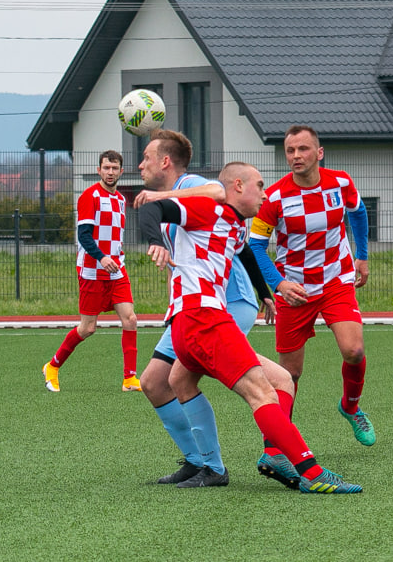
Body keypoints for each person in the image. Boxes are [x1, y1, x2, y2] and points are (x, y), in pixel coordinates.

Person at [139, 161, 363, 494]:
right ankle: (312, 473)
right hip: (203, 319)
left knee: (279, 380)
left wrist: (264, 294)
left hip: (192, 323)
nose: (265, 192)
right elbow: (152, 210)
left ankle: (224, 465)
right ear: (238, 186)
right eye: (259, 185)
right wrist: (155, 241)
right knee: (262, 393)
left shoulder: (234, 225)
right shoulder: (207, 208)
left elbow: (244, 253)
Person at [133, 129, 288, 489]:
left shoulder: (196, 185)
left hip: (223, 303)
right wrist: (265, 293)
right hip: (209, 303)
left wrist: (257, 292)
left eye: (146, 158)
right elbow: (243, 244)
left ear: (165, 162)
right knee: (158, 383)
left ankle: (217, 465)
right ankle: (202, 462)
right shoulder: (183, 194)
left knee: (169, 380)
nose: (140, 165)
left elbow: (220, 193)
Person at [249, 124, 376, 447]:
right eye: (290, 150)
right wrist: (279, 285)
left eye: (303, 149)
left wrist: (362, 255)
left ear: (319, 153)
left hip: (336, 280)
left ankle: (350, 406)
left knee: (354, 350)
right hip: (295, 290)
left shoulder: (341, 182)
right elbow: (254, 247)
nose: (296, 156)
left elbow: (358, 212)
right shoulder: (273, 197)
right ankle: (279, 443)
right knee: (289, 375)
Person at [42, 150, 139, 393]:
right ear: (99, 170)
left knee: (131, 319)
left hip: (117, 270)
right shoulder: (89, 196)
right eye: (106, 168)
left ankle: (129, 379)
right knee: (88, 328)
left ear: (121, 172)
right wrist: (102, 257)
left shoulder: (120, 200)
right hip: (92, 272)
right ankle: (52, 366)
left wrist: (115, 256)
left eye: (114, 168)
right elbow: (83, 236)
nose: (110, 172)